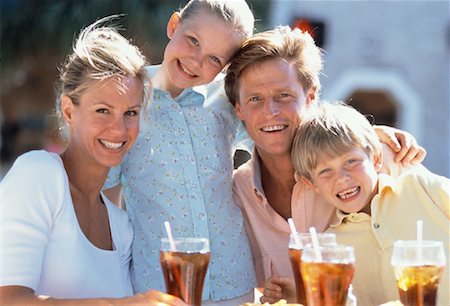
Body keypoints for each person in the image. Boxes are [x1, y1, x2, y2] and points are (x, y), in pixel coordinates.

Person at [223, 25, 426, 303]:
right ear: (239, 109)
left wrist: (371, 137)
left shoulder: (381, 161)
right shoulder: (235, 196)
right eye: (255, 99)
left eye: (283, 95)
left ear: (311, 96)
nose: (270, 112)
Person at [0, 17, 186, 306]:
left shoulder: (121, 226)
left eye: (131, 113)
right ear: (69, 111)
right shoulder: (37, 175)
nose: (118, 129)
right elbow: (7, 300)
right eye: (103, 110)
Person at [103, 1, 256, 304]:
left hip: (234, 282)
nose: (196, 61)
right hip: (158, 285)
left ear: (226, 67)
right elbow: (102, 192)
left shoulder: (225, 103)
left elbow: (279, 136)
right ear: (174, 26)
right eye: (193, 41)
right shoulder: (127, 102)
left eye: (214, 58)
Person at [291, 102, 449, 306]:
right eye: (325, 171)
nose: (342, 178)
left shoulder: (424, 189)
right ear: (311, 183)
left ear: (376, 158)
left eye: (351, 162)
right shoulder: (333, 250)